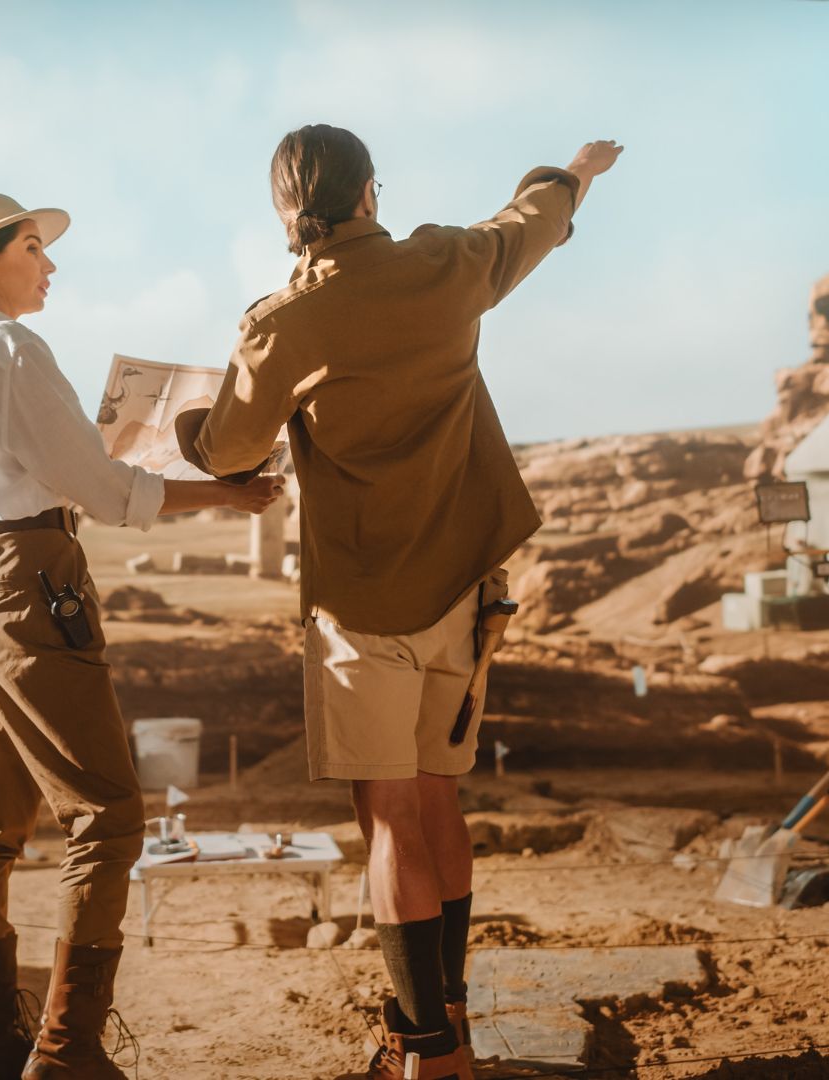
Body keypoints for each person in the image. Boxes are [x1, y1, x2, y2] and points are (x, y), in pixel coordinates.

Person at [176, 128, 623, 1078]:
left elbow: (225, 452)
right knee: (436, 802)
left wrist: (184, 423)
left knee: (388, 823)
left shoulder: (282, 321)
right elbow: (530, 220)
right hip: (465, 590)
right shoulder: (446, 264)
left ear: (286, 213)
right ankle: (447, 1018)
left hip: (363, 605)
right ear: (372, 193)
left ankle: (427, 1054)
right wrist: (575, 173)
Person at [0, 192, 283, 1080]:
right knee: (109, 818)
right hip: (33, 581)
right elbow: (103, 491)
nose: (50, 265)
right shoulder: (9, 347)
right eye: (33, 249)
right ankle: (67, 1052)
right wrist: (226, 492)